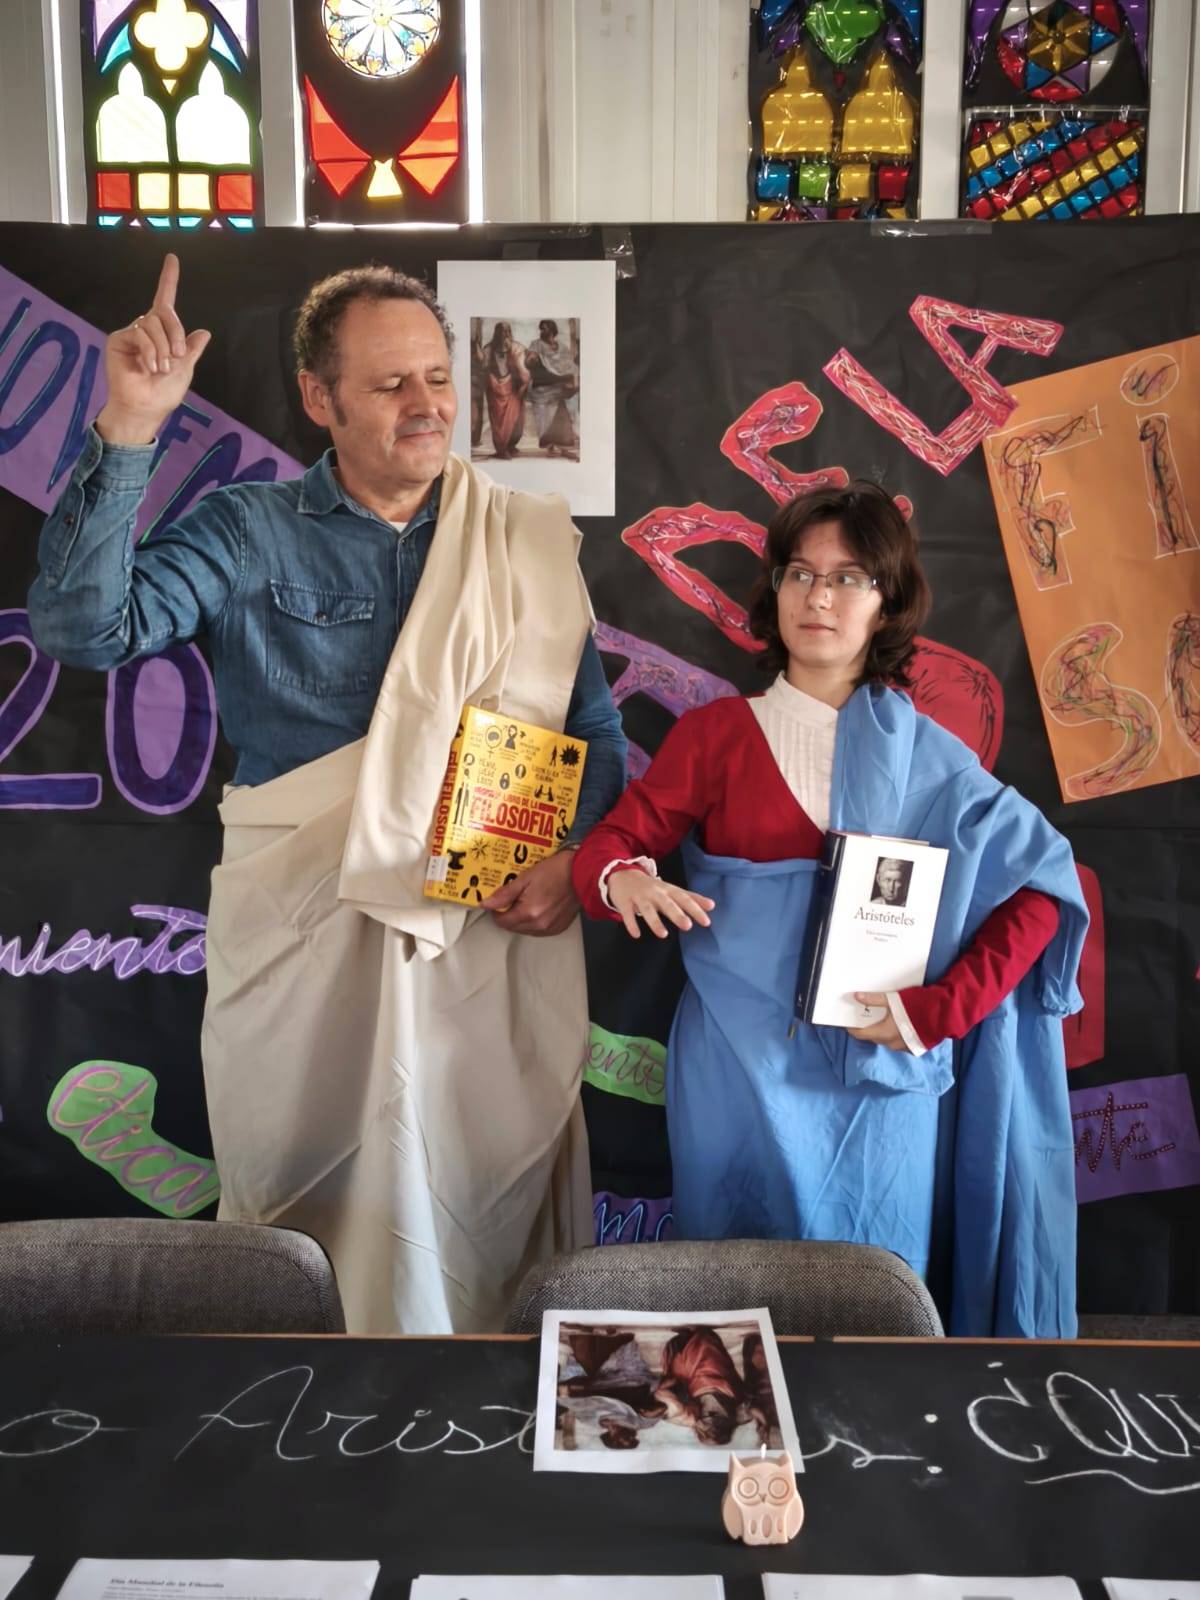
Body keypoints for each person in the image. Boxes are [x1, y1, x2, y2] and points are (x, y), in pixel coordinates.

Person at [28, 255, 628, 1336]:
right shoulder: (247, 529)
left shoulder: (522, 539)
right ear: (320, 397)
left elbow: (596, 737)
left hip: (485, 933)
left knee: (481, 1219)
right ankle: (311, 1417)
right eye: (391, 384)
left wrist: (572, 858)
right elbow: (85, 628)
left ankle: (483, 1421)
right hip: (302, 940)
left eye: (438, 378)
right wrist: (130, 425)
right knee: (307, 1213)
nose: (427, 405)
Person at [572, 483, 1089, 1338]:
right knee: (728, 1319)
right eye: (800, 573)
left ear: (887, 603)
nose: (820, 596)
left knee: (876, 1314)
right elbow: (608, 849)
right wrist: (625, 878)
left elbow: (1044, 887)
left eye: (849, 577)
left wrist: (939, 1010)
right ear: (774, 589)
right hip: (736, 1069)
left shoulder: (935, 760)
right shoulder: (715, 735)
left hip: (883, 1085)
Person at [526, 319, 580, 458]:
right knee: (545, 419)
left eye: (544, 328)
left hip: (559, 386)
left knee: (561, 417)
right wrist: (531, 359)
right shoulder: (536, 345)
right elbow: (529, 361)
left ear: (551, 330)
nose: (541, 331)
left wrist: (573, 381)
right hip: (542, 386)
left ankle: (562, 447)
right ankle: (550, 447)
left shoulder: (562, 347)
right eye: (541, 329)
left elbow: (570, 366)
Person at [483, 320, 529, 458]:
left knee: (515, 419)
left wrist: (523, 384)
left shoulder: (517, 348)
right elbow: (484, 367)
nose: (505, 334)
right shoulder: (488, 349)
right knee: (498, 422)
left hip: (513, 388)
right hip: (495, 388)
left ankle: (511, 445)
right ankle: (501, 449)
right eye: (502, 331)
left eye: (508, 331)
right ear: (496, 333)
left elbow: (524, 370)